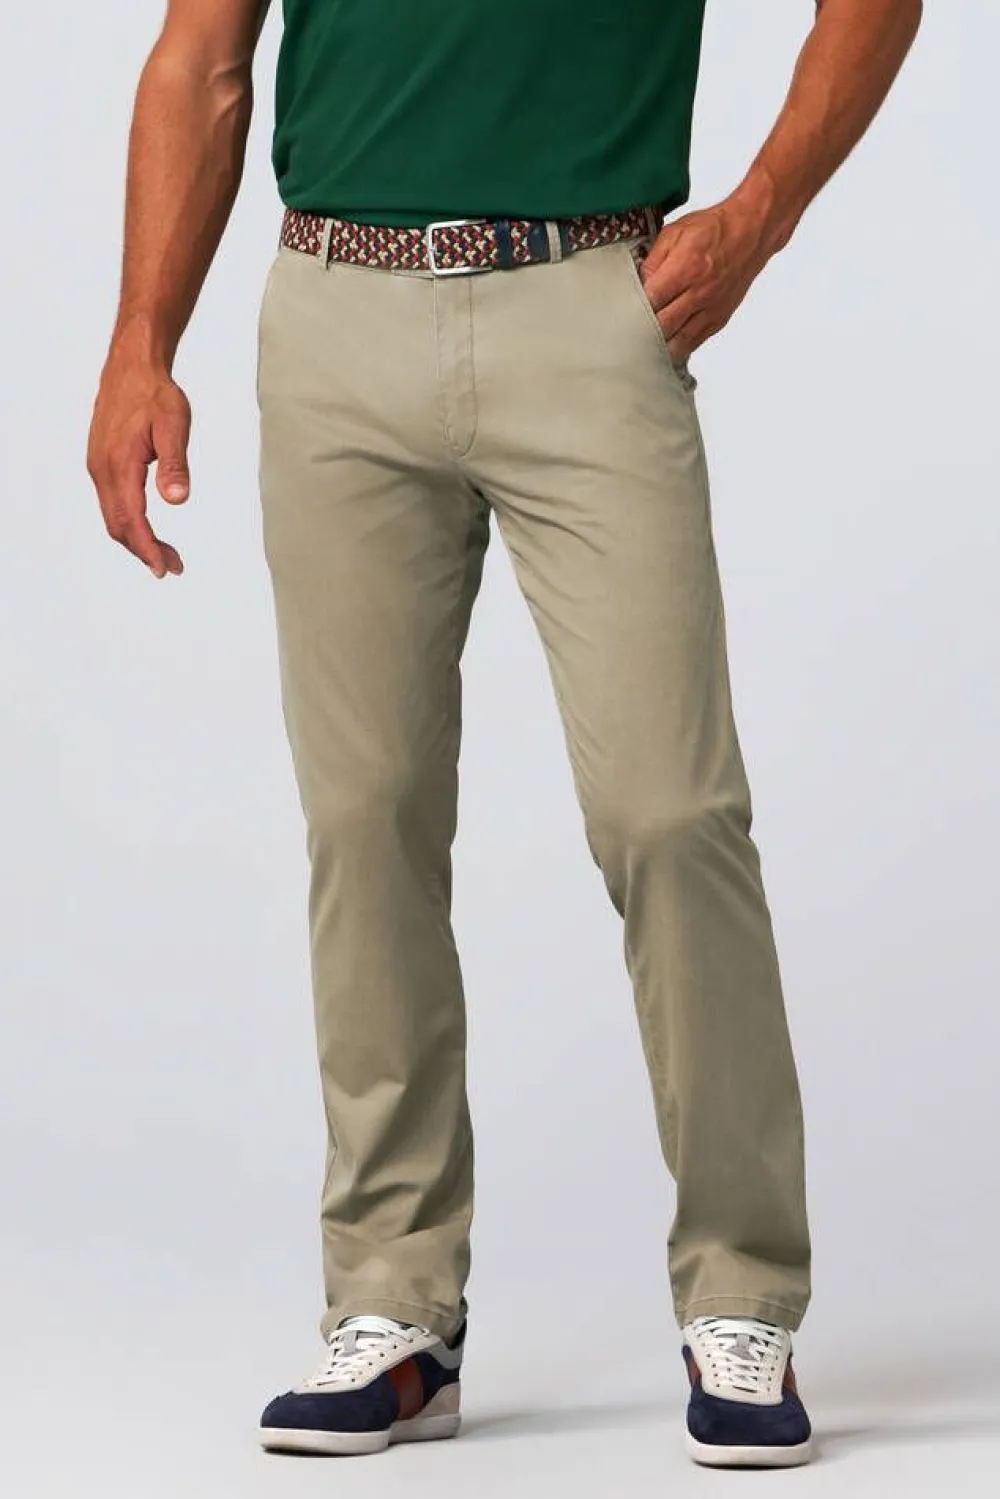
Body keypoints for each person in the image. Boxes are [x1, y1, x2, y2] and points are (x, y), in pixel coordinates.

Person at [87, 0, 922, 1470]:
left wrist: (760, 214)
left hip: (591, 302)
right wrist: (138, 339)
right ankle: (394, 1303)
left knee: (671, 811)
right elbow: (202, 59)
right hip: (336, 312)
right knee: (366, 818)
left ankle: (742, 1293)